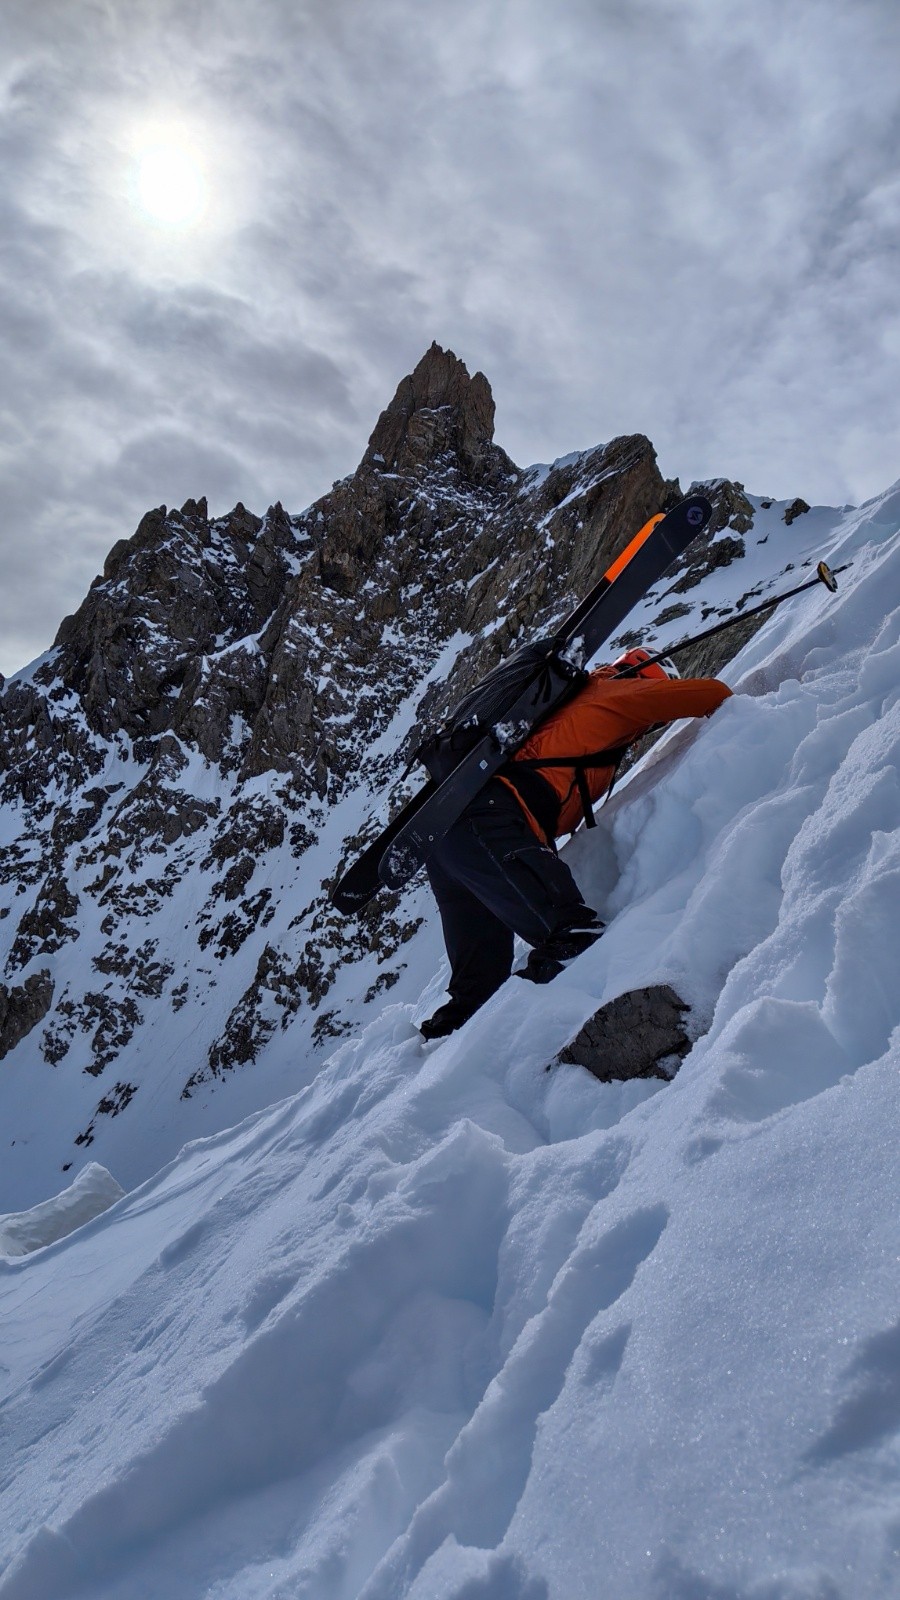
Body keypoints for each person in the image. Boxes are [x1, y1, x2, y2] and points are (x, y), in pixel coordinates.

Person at [420, 649, 732, 1039]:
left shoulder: (575, 697)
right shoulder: (613, 694)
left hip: (445, 836)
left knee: (477, 991)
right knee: (573, 937)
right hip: (490, 825)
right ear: (645, 678)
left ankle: (447, 1052)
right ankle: (527, 1046)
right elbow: (711, 693)